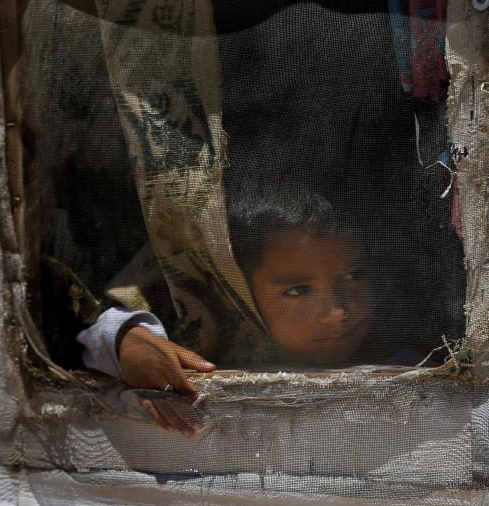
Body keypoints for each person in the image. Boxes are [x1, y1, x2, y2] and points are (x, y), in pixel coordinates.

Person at [78, 177, 393, 436]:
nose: (337, 315)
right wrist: (126, 341)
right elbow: (96, 329)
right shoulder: (199, 338)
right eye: (298, 290)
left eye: (354, 276)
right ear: (235, 294)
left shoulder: (407, 362)